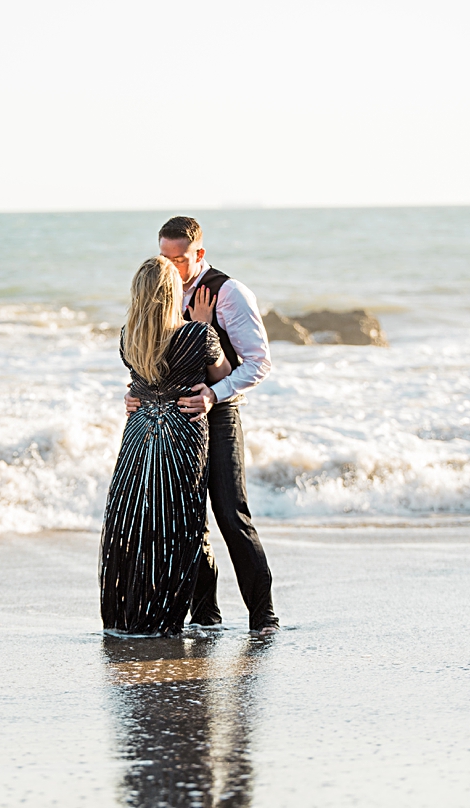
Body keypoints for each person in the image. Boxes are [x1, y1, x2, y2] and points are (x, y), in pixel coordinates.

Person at [126, 216, 280, 635]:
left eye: (180, 259)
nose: (172, 267)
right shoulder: (160, 293)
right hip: (174, 421)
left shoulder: (229, 293)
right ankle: (206, 616)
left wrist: (213, 394)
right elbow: (151, 355)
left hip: (220, 412)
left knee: (232, 515)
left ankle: (263, 616)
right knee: (188, 521)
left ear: (199, 254)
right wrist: (134, 390)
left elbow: (259, 363)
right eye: (165, 258)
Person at [100, 256, 231, 636]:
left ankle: (131, 612)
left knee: (136, 518)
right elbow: (221, 374)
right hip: (182, 432)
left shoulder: (128, 336)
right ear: (172, 293)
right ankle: (179, 613)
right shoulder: (198, 335)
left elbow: (143, 378)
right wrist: (205, 326)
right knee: (180, 520)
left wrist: (137, 393)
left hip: (139, 430)